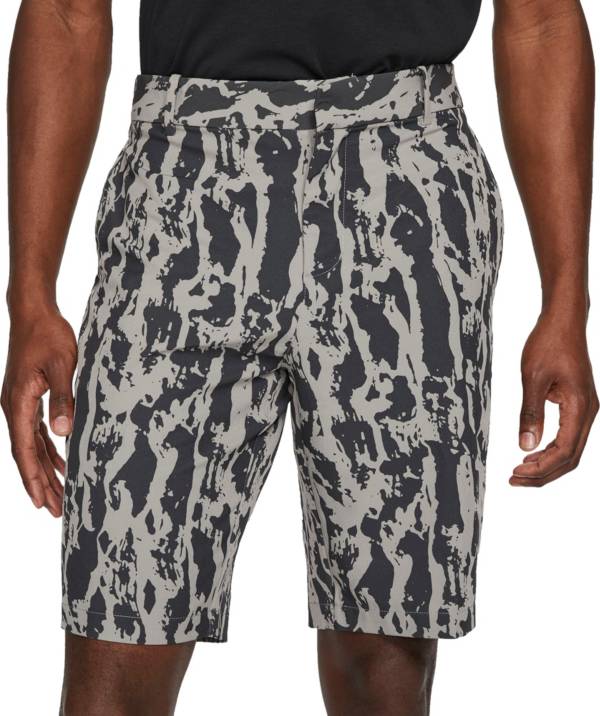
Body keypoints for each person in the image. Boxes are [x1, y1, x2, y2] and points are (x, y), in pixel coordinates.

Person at [2, 0, 597, 714]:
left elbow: (541, 18)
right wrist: (29, 295)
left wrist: (567, 301)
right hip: (185, 181)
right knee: (118, 623)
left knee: (383, 658)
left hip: (403, 180)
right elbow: (66, 12)